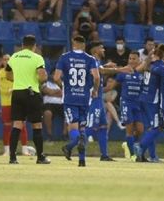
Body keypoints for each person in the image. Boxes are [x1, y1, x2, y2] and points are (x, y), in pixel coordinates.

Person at [55, 35, 100, 167]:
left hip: (70, 98)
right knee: (82, 128)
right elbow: (96, 77)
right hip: (85, 98)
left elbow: (56, 77)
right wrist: (95, 90)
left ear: (73, 43)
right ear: (84, 45)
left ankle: (72, 144)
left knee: (73, 127)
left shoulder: (65, 57)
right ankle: (81, 160)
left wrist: (63, 87)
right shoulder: (90, 59)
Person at [5, 35, 50, 164]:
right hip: (32, 93)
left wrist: (18, 79)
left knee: (17, 124)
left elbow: (8, 74)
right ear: (34, 46)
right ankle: (40, 157)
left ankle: (12, 158)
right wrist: (42, 78)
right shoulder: (37, 58)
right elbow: (42, 77)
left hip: (17, 92)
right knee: (37, 125)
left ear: (23, 45)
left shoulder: (14, 56)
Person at [88, 41, 132, 161]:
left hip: (99, 96)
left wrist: (108, 65)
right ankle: (71, 147)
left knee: (103, 126)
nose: (104, 50)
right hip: (93, 98)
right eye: (101, 48)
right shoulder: (92, 60)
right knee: (92, 126)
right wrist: (121, 69)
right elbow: (101, 71)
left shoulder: (96, 61)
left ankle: (104, 155)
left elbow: (101, 68)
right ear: (95, 50)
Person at [136, 44, 164, 162]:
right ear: (163, 55)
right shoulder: (161, 67)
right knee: (157, 127)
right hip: (152, 101)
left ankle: (151, 156)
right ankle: (140, 146)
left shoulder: (149, 65)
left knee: (149, 128)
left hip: (142, 98)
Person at [112, 52, 143, 161]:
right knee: (129, 129)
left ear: (139, 60)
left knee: (140, 129)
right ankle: (133, 155)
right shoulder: (123, 72)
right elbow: (112, 85)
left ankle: (128, 144)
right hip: (126, 103)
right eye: (130, 58)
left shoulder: (142, 73)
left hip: (138, 104)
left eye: (134, 58)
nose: (131, 61)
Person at [0, 54, 31, 156]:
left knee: (22, 126)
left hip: (18, 101)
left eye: (8, 59)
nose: (6, 61)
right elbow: (1, 89)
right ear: (2, 61)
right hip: (6, 102)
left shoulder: (17, 71)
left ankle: (24, 149)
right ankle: (7, 150)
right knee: (7, 126)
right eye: (5, 59)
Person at [41, 74, 66, 141]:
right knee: (47, 113)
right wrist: (57, 92)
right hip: (48, 104)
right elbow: (48, 92)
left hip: (61, 104)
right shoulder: (45, 83)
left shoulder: (63, 84)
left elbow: (64, 94)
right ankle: (50, 135)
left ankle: (64, 135)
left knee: (68, 114)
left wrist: (52, 92)